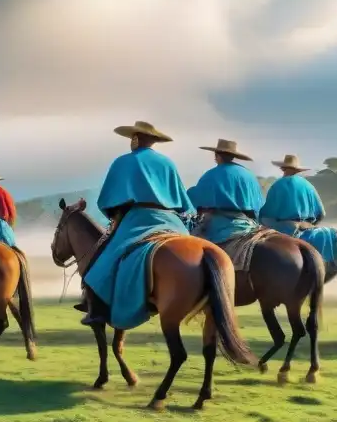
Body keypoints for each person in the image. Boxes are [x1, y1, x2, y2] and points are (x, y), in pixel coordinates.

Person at [78, 121, 194, 327]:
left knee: (102, 259)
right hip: (172, 221)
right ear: (154, 141)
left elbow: (107, 199)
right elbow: (183, 202)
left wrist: (114, 215)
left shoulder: (123, 162)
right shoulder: (168, 163)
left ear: (136, 139)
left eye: (133, 137)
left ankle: (97, 310)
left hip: (138, 219)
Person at [259, 154, 337, 270]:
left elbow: (267, 213)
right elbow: (321, 213)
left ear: (283, 168)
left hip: (285, 227)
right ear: (298, 170)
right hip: (307, 226)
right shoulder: (309, 186)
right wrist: (311, 224)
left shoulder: (278, 185)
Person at [189, 139, 264, 244]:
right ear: (233, 156)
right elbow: (259, 205)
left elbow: (195, 200)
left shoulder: (211, 174)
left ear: (217, 156)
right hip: (248, 225)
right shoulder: (249, 175)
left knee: (192, 242)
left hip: (218, 226)